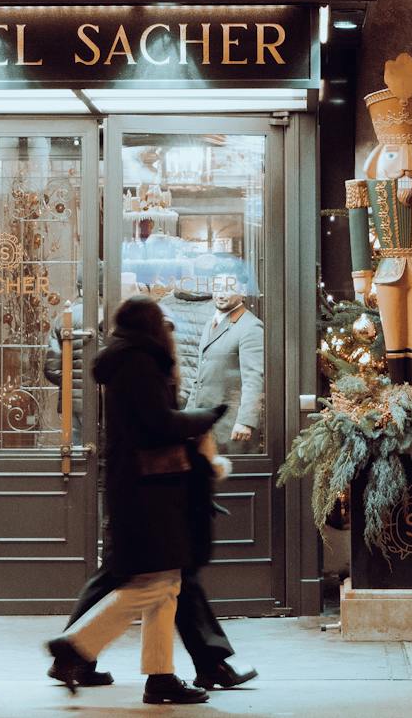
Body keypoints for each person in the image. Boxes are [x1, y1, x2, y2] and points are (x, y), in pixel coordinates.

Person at [46, 298, 222, 705]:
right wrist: (203, 418)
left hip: (147, 487)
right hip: (148, 491)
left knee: (167, 584)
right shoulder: (139, 363)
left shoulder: (130, 360)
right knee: (155, 584)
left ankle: (161, 677)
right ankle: (75, 647)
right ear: (149, 325)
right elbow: (157, 424)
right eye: (160, 320)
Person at [185, 291, 265, 454]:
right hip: (205, 426)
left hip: (231, 429)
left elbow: (254, 378)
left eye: (228, 288)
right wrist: (188, 416)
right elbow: (199, 378)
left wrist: (246, 421)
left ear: (243, 292)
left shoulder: (251, 327)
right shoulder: (211, 323)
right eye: (217, 287)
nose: (220, 294)